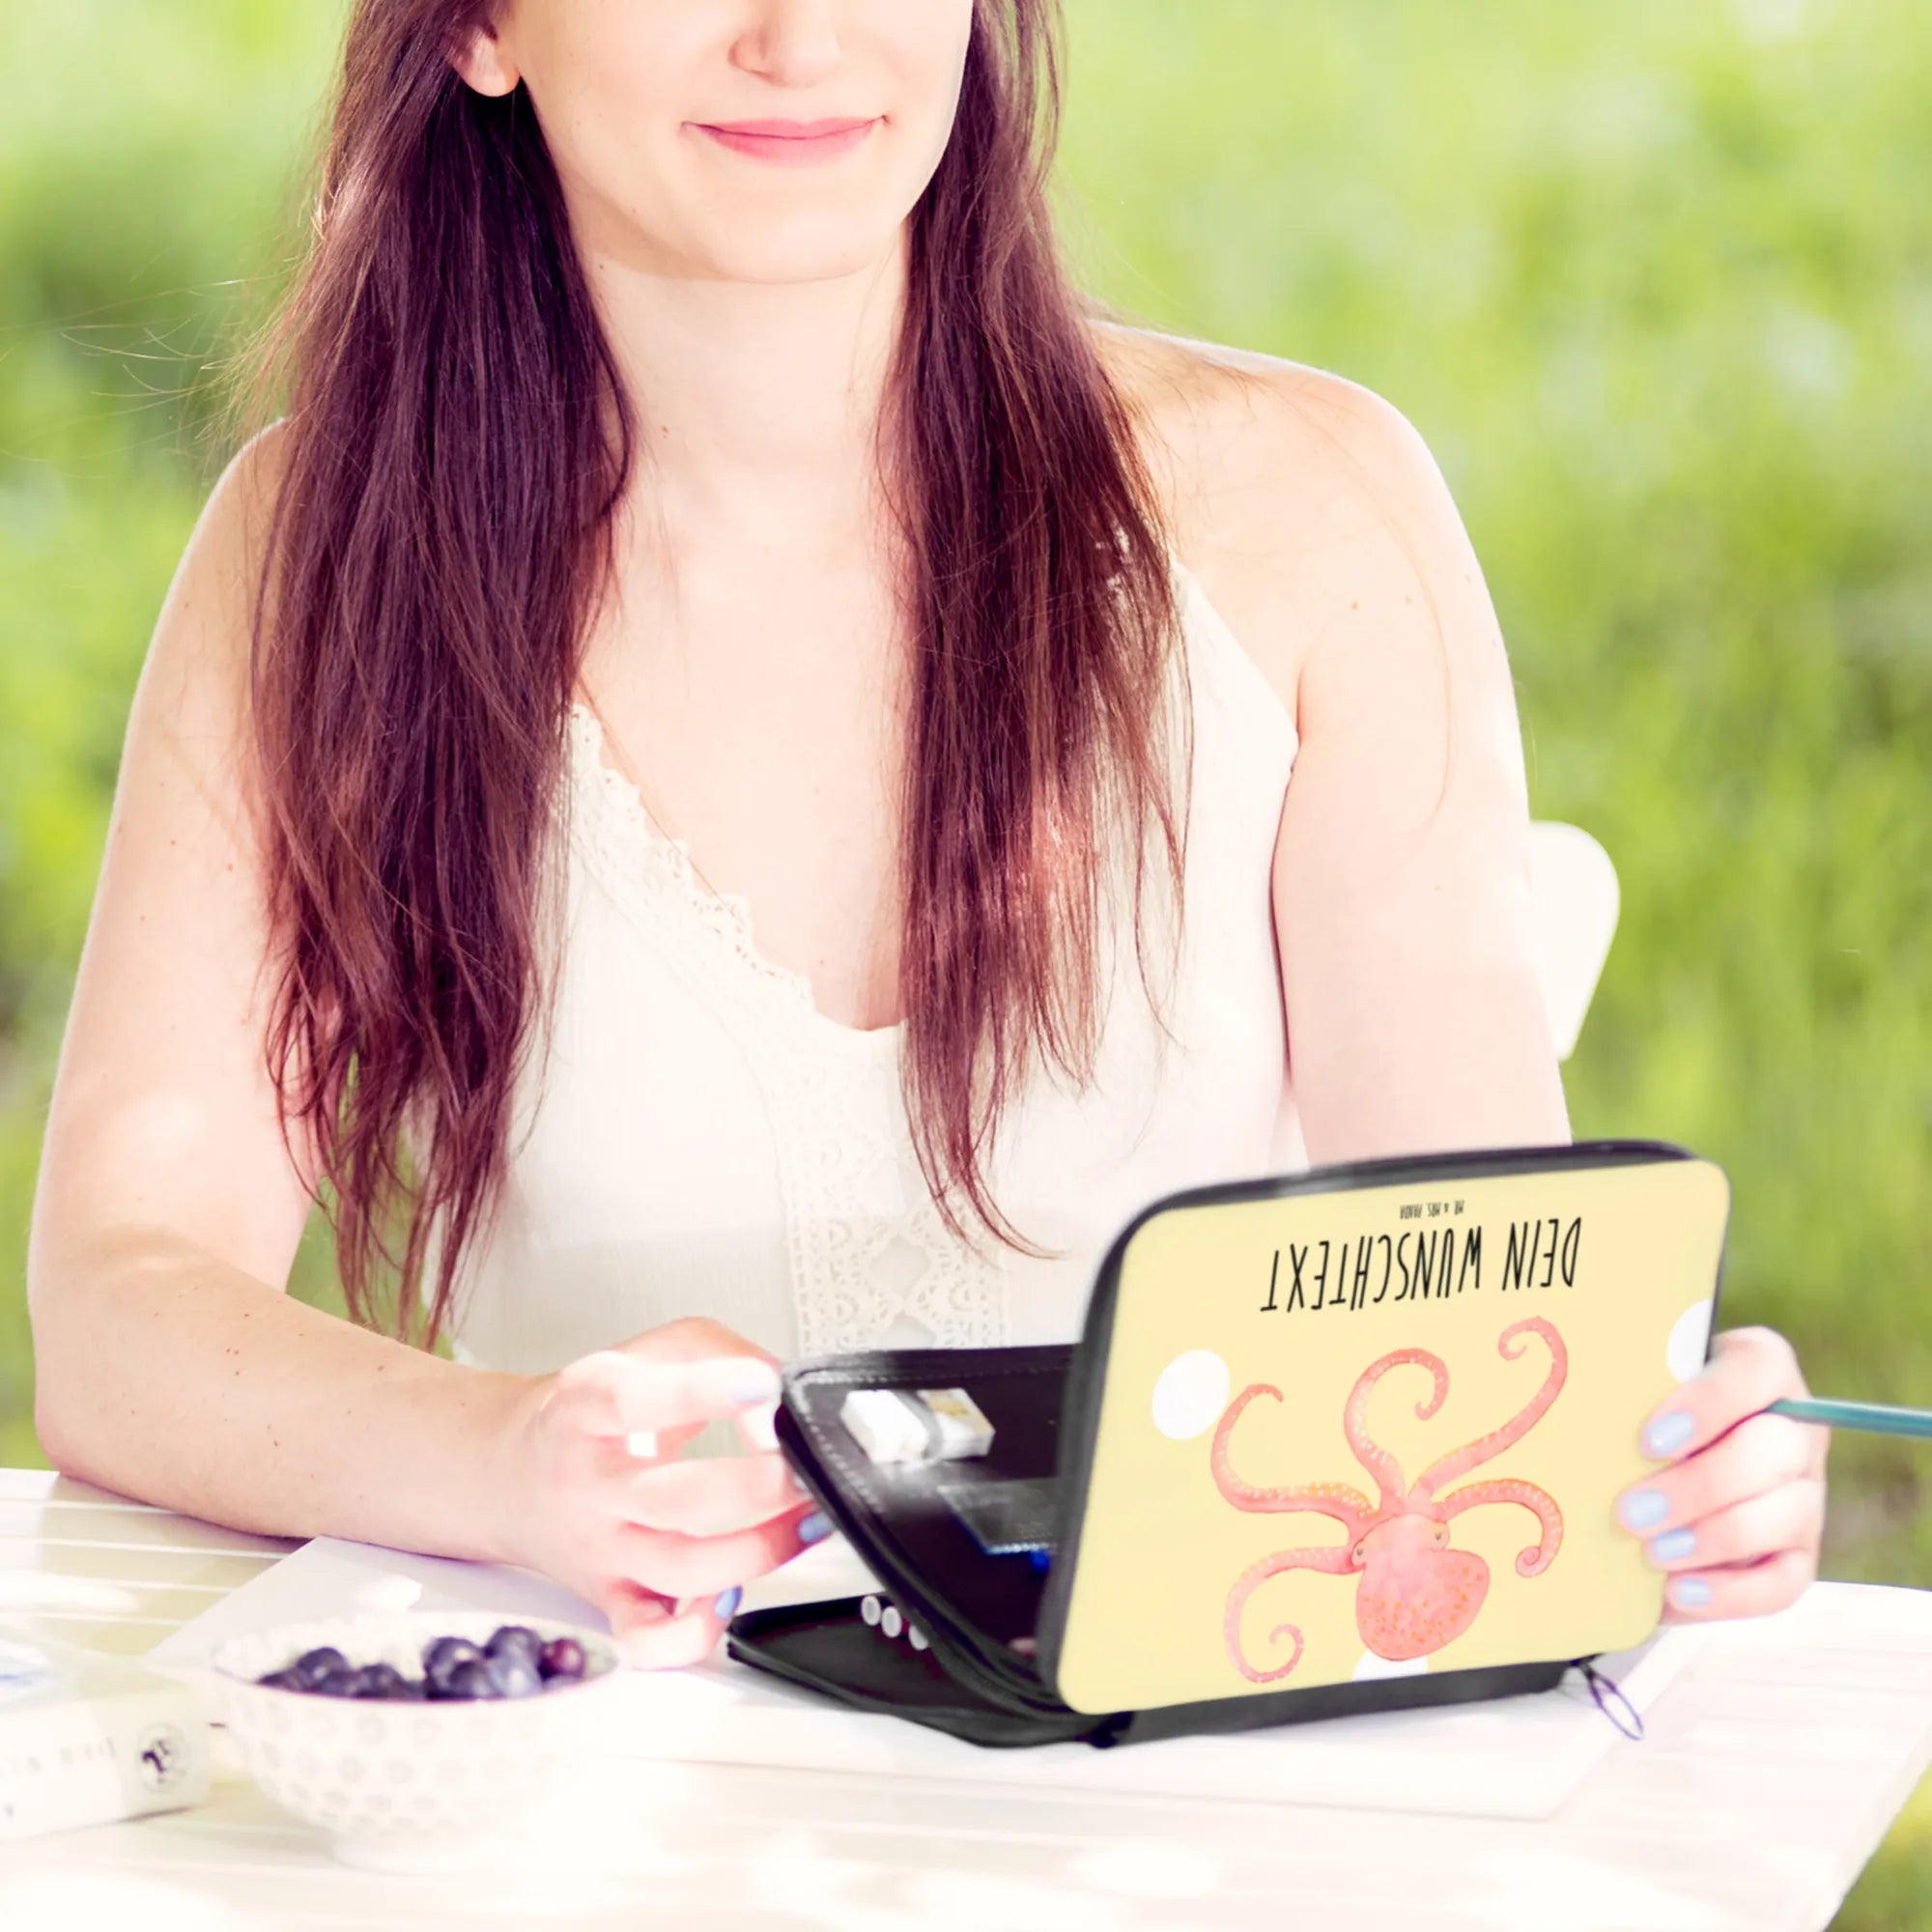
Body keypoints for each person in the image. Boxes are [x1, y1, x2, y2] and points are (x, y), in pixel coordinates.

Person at [26, 0, 1827, 1670]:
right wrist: (503, 1455)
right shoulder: (329, 554)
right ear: (481, 26)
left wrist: (1670, 1460)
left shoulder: (1307, 519)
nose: (800, 38)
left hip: (1202, 1777)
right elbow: (118, 1314)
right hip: (608, 1773)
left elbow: (1499, 1321)